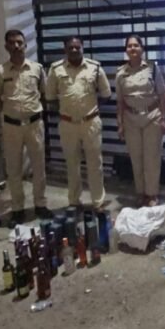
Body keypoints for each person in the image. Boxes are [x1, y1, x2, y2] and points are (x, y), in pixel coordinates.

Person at [0, 30, 52, 223]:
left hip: (34, 124)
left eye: (19, 42)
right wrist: (9, 112)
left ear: (25, 45)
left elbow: (45, 94)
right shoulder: (0, 72)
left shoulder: (37, 69)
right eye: (12, 43)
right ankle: (17, 208)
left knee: (39, 166)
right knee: (14, 169)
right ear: (6, 47)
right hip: (12, 127)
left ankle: (40, 204)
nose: (16, 46)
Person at [46, 36, 112, 209]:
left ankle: (98, 201)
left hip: (90, 123)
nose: (74, 50)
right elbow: (50, 98)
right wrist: (67, 111)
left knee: (95, 164)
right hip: (67, 124)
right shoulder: (55, 69)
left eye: (77, 47)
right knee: (71, 165)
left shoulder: (95, 68)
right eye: (71, 47)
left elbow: (106, 94)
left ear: (83, 47)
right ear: (65, 50)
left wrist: (90, 109)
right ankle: (74, 201)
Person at [115, 35, 165, 207]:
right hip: (130, 119)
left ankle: (152, 194)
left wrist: (164, 118)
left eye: (136, 45)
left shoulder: (153, 68)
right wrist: (120, 124)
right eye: (129, 46)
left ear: (142, 49)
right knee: (136, 158)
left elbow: (162, 95)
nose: (133, 48)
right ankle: (140, 192)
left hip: (152, 116)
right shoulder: (120, 73)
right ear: (126, 50)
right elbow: (120, 101)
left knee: (152, 158)